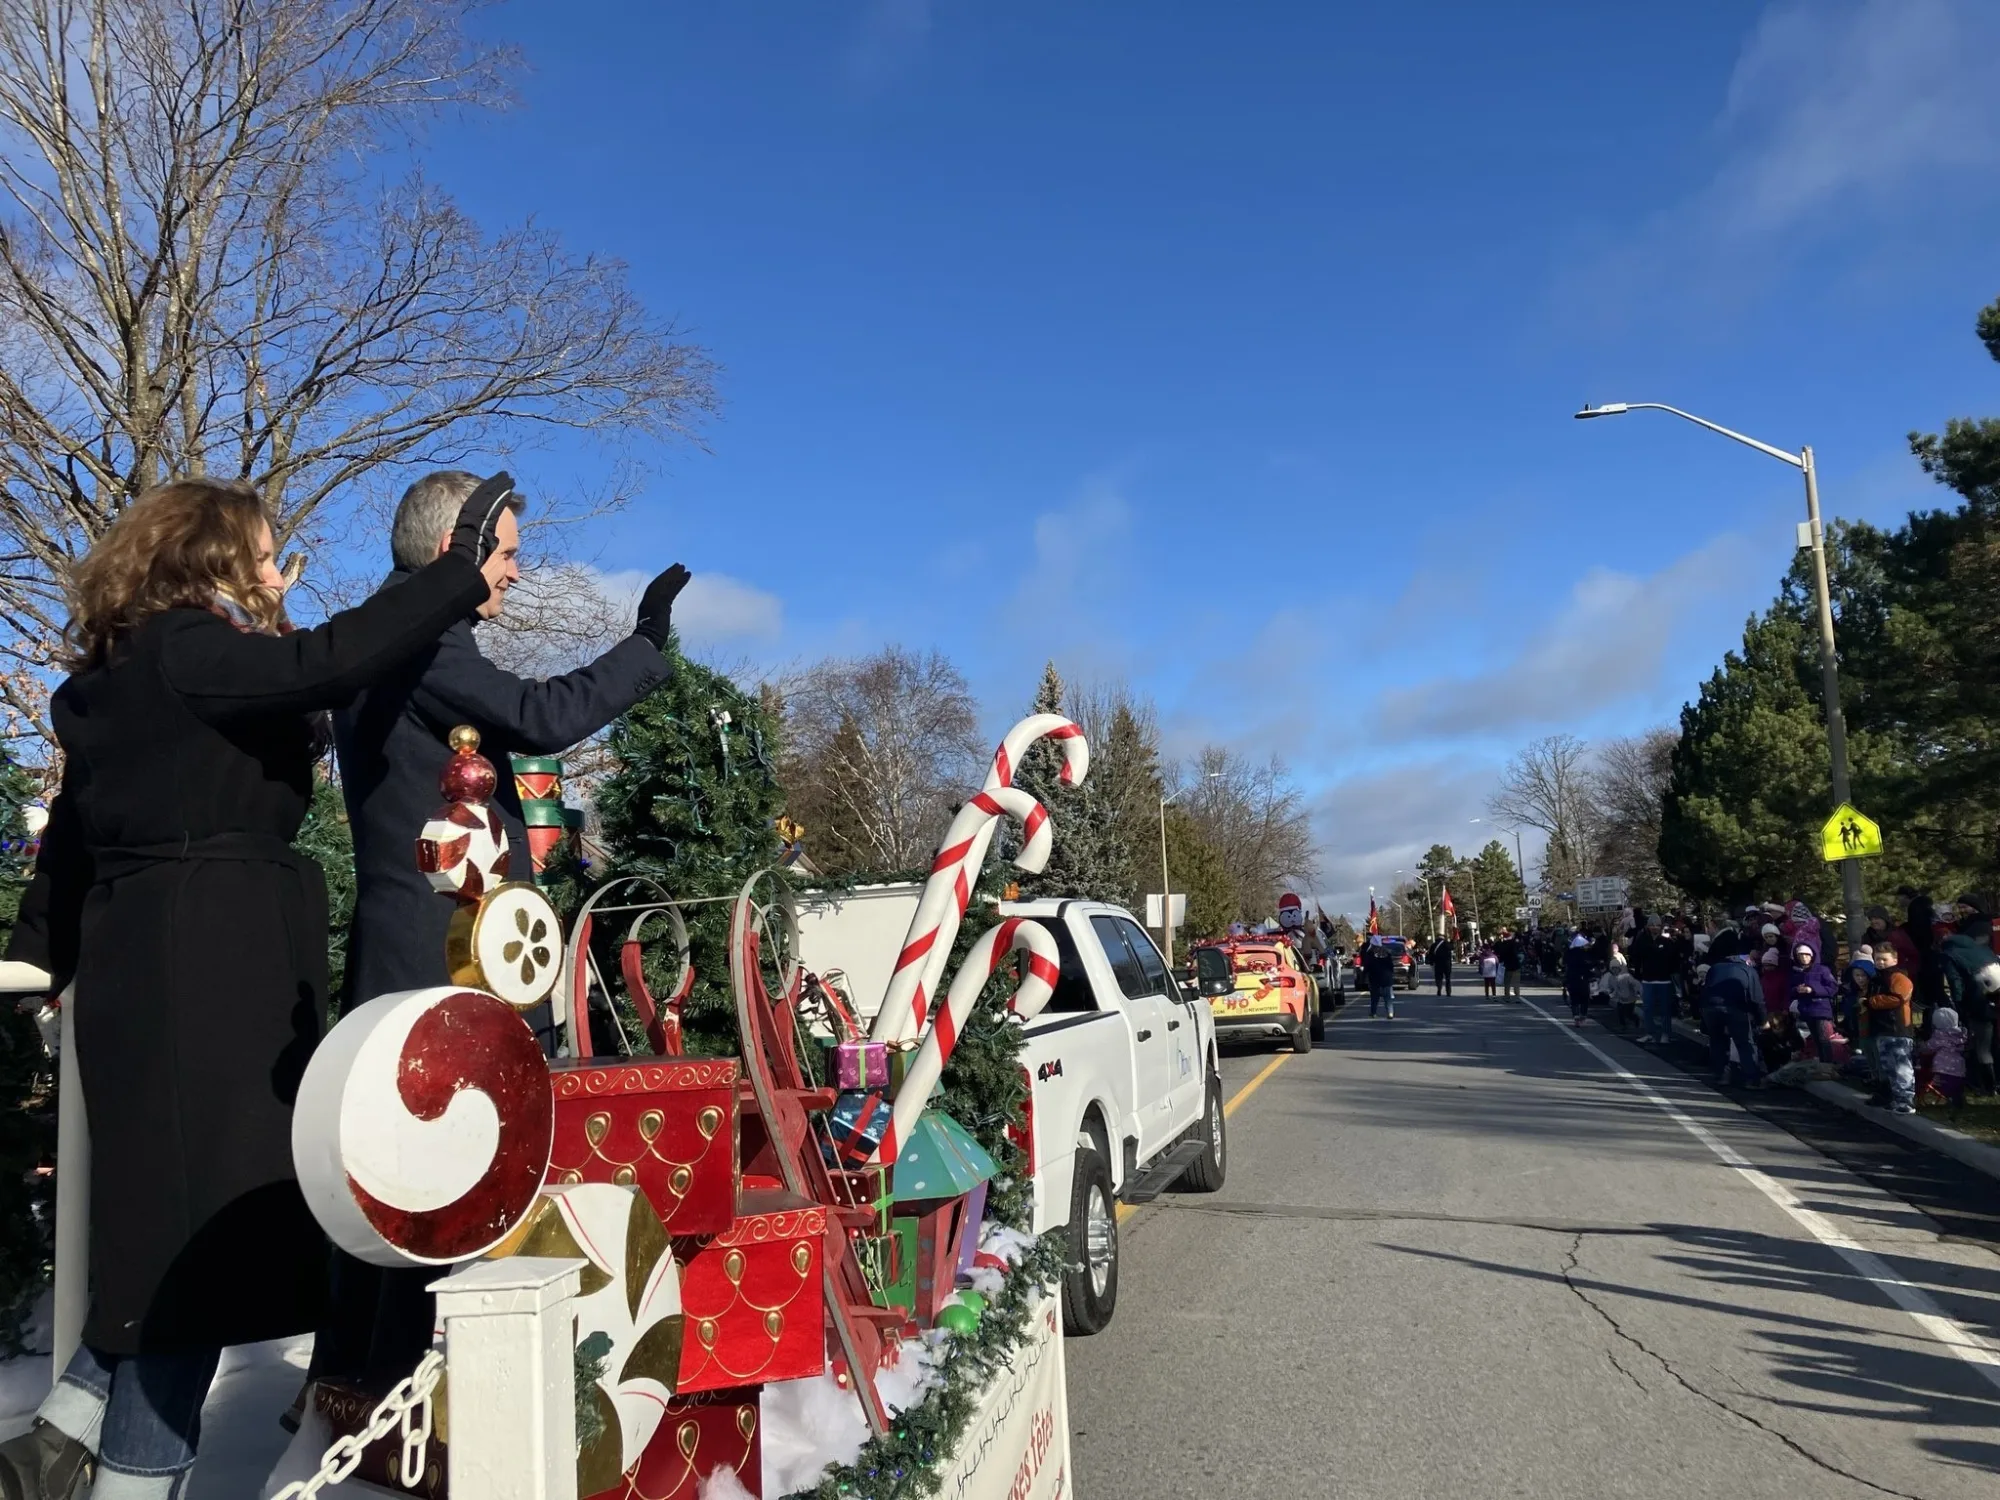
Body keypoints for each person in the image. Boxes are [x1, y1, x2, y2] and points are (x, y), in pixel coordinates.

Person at [0, 478, 509, 1500]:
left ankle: (63, 1426)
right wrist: (456, 570)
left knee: (181, 1239)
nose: (278, 573)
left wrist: (38, 954)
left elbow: (69, 850)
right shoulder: (189, 652)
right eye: (267, 555)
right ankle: (131, 1479)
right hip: (211, 973)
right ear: (213, 555)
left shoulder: (116, 676)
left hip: (151, 972)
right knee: (193, 1262)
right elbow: (330, 659)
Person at [319, 470, 685, 1399]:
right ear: (461, 545)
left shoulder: (383, 632)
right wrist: (642, 649)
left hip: (413, 943)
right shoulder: (420, 633)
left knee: (393, 1183)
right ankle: (414, 1400)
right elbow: (537, 717)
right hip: (441, 954)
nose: (517, 574)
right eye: (509, 552)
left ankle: (353, 1378)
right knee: (437, 1185)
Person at [1936, 906, 1997, 1096]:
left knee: (1982, 1046)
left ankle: (1988, 1087)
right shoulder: (1981, 949)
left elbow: (1956, 982)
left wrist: (1959, 1004)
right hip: (1996, 993)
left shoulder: (1949, 954)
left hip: (1980, 1000)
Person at [1701, 931, 1764, 1088]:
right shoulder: (1748, 971)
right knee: (1744, 1043)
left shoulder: (1715, 968)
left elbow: (1705, 989)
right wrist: (1762, 1019)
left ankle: (1719, 1075)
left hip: (1711, 1007)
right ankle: (1750, 1078)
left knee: (1717, 1041)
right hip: (1735, 1008)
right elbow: (1757, 998)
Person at [1866, 947, 1917, 1114]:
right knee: (1889, 1067)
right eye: (1878, 959)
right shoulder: (1876, 979)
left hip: (1897, 1029)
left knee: (1901, 1066)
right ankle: (1895, 1098)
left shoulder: (1898, 977)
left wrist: (1871, 1002)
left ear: (1894, 960)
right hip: (1882, 1028)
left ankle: (1906, 1101)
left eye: (1884, 959)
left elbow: (1898, 999)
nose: (1880, 962)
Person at [1628, 912, 1678, 1046]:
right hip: (1647, 980)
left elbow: (1673, 960)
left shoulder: (1667, 942)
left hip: (1664, 980)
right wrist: (1638, 974)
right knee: (1647, 1008)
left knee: (1664, 1009)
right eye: (1652, 925)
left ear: (1661, 927)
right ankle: (1650, 1033)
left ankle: (1666, 1034)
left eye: (1657, 925)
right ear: (1648, 927)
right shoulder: (1642, 941)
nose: (1655, 927)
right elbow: (1636, 958)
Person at [1787, 935, 1839, 1062]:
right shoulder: (1796, 972)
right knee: (1815, 1039)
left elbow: (1833, 988)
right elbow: (1790, 990)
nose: (1804, 958)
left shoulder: (1822, 970)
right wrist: (1797, 990)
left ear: (1812, 955)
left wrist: (1813, 990)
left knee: (1824, 1039)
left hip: (1821, 1009)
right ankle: (1822, 1063)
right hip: (1806, 1010)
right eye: (1801, 955)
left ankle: (1828, 1064)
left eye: (1806, 955)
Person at [1918, 1004, 1968, 1108]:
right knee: (1955, 1088)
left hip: (1942, 1070)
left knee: (1934, 1082)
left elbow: (1928, 1048)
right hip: (1960, 1070)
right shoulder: (1960, 1035)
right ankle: (1956, 1100)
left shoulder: (1939, 1036)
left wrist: (1919, 1046)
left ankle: (1935, 1097)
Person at [1605, 949, 1642, 1032]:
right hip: (1620, 998)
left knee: (1628, 1013)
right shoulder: (1611, 978)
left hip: (1630, 998)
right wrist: (1609, 991)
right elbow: (1610, 987)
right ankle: (1623, 1025)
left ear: (1619, 968)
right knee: (1620, 1012)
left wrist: (1637, 990)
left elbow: (1635, 983)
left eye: (1616, 968)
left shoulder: (1626, 976)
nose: (1615, 970)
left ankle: (1636, 1020)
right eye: (1613, 968)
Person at [1564, 932, 1594, 1026]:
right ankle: (1583, 1017)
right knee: (1584, 999)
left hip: (1572, 978)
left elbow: (1564, 964)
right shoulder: (1585, 954)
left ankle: (1576, 1017)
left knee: (1574, 999)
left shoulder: (1569, 953)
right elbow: (1590, 965)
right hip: (1583, 979)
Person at [1363, 937, 1397, 1020]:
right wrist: (1391, 974)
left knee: (1374, 997)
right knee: (1387, 997)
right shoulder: (1386, 952)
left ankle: (1373, 1013)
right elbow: (1391, 966)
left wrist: (1364, 975)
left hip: (1375, 978)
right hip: (1386, 977)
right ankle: (1390, 1012)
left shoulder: (1370, 953)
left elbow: (1367, 966)